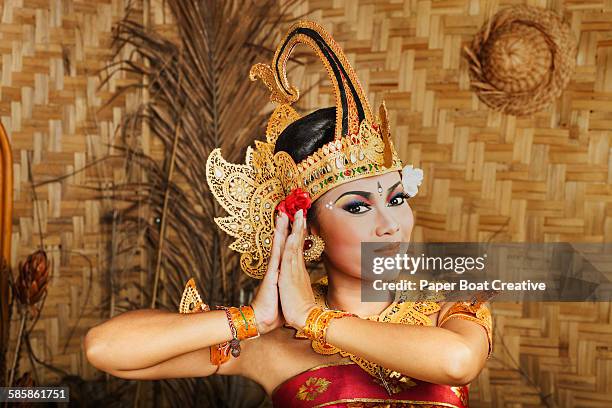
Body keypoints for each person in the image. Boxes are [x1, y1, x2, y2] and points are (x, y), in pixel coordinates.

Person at [85, 20, 492, 407]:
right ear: (308, 229)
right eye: (356, 206)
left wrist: (315, 319)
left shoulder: (450, 314)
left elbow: (457, 362)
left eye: (397, 199)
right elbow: (106, 349)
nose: (390, 225)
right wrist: (255, 317)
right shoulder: (272, 341)